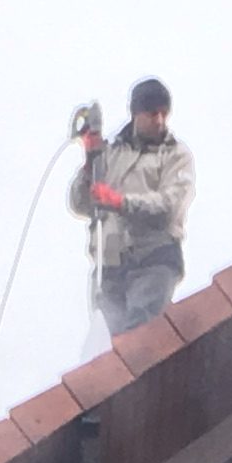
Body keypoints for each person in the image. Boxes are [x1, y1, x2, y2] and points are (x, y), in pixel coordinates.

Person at [70, 77, 195, 339]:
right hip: (110, 265)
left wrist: (121, 202)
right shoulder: (111, 154)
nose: (159, 120)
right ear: (136, 113)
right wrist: (90, 164)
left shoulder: (174, 154)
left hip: (153, 259)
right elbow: (80, 203)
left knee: (139, 336)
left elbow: (169, 206)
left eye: (164, 114)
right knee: (107, 343)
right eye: (152, 113)